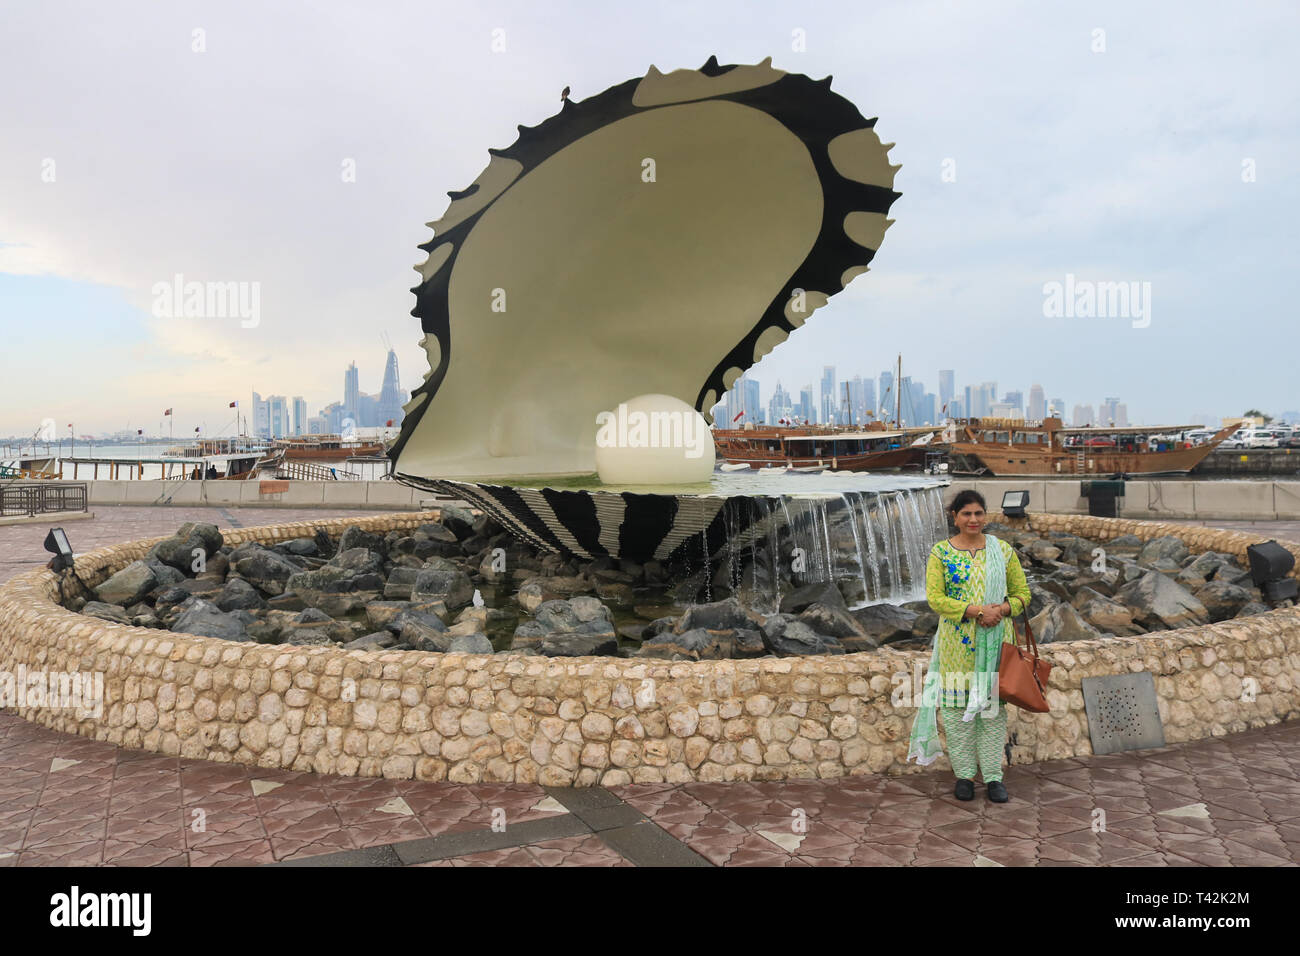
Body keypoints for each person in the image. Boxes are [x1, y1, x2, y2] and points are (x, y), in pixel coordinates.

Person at [906, 489, 1031, 803]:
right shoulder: (941, 553)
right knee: (955, 711)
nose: (973, 520)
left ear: (985, 516)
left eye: (978, 513)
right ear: (955, 517)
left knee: (992, 711)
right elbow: (935, 598)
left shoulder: (1002, 551)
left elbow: (1022, 595)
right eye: (966, 514)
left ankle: (992, 777)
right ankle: (963, 775)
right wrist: (977, 611)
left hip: (996, 642)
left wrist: (1000, 610)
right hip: (956, 647)